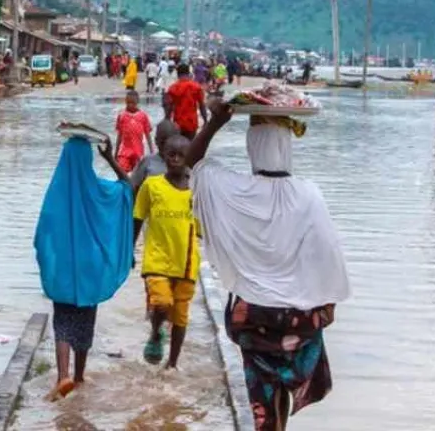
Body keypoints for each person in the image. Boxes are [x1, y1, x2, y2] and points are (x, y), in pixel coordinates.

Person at [185, 100, 351, 430]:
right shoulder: (308, 194)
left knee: (263, 396)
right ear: (286, 147)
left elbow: (194, 164)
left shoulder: (233, 189)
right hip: (298, 318)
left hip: (253, 316)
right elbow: (327, 252)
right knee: (282, 394)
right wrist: (327, 305)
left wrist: (216, 122)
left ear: (252, 148)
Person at [35, 135, 133, 401]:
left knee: (63, 322)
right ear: (89, 160)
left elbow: (43, 233)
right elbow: (128, 187)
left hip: (65, 270)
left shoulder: (57, 190)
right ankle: (78, 376)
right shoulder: (99, 190)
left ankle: (61, 377)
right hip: (91, 268)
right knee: (85, 321)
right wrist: (111, 159)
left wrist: (50, 261)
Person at [133, 134, 199, 370]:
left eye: (181, 155)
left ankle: (172, 363)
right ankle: (155, 330)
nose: (175, 159)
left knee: (181, 316)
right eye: (171, 154)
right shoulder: (152, 186)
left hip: (186, 262)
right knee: (161, 303)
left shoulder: (196, 191)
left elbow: (203, 228)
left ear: (189, 158)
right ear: (163, 155)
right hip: (157, 259)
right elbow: (138, 217)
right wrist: (129, 249)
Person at [114, 90, 153, 173]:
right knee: (121, 171)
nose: (130, 105)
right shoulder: (122, 116)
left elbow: (148, 135)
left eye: (133, 103)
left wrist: (152, 152)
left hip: (138, 152)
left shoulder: (143, 116)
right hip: (125, 151)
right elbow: (119, 136)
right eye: (128, 103)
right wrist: (116, 153)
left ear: (138, 102)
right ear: (125, 101)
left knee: (137, 175)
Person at [166, 63, 208, 139]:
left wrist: (166, 121)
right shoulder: (196, 87)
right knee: (190, 147)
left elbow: (169, 107)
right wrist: (205, 121)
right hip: (191, 123)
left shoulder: (173, 88)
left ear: (178, 74)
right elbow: (202, 105)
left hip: (177, 123)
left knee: (178, 147)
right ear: (188, 73)